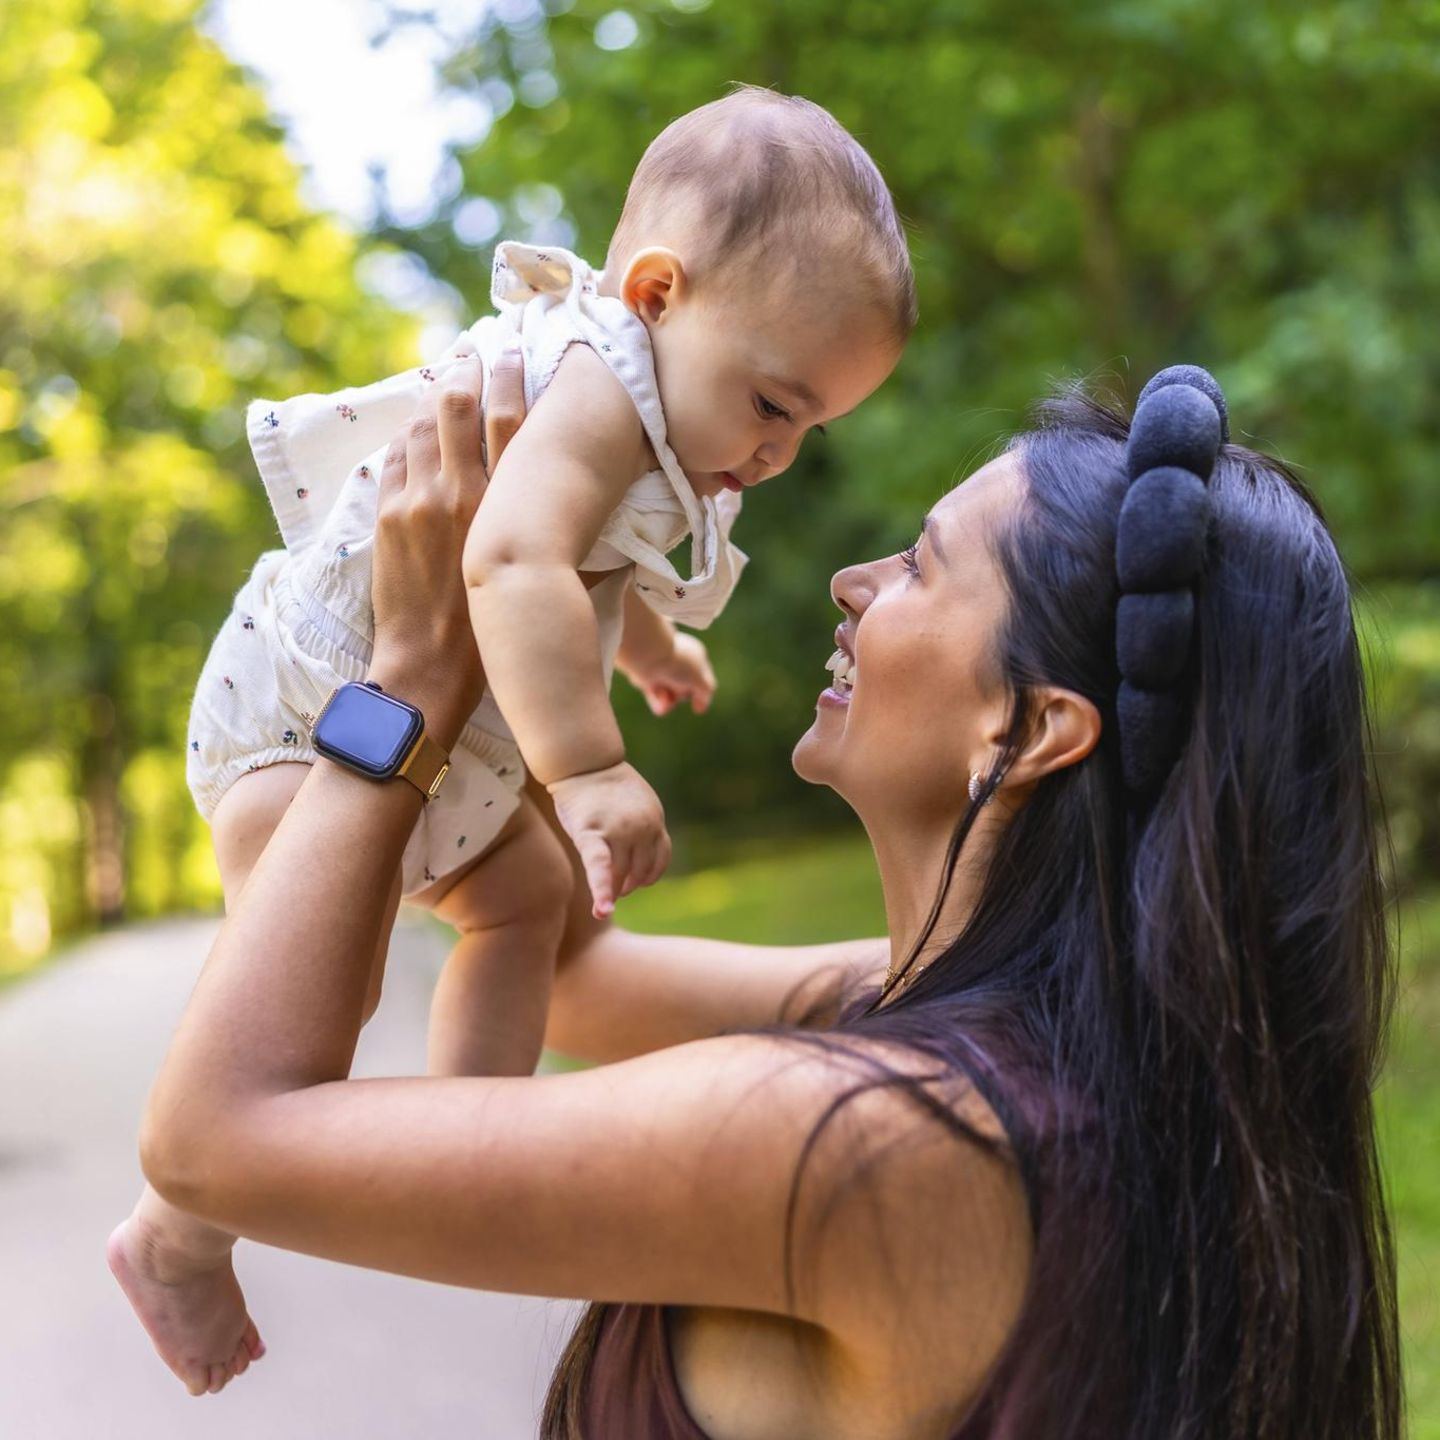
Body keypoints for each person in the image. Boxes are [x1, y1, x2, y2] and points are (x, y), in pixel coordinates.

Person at [130, 351, 1400, 1439]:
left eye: (921, 566)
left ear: (1027, 729)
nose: (856, 578)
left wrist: (396, 674)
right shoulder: (981, 1029)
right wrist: (528, 638)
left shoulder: (882, 1142)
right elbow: (561, 974)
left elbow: (216, 1142)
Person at [108, 87, 910, 1390]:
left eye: (808, 428)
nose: (777, 453)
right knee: (325, 983)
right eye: (773, 404)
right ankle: (174, 1238)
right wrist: (590, 769)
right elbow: (518, 554)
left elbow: (591, 557)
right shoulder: (595, 385)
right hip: (300, 716)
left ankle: (467, 1133)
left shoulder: (655, 410)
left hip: (425, 746)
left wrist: (648, 644)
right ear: (655, 293)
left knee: (527, 900)